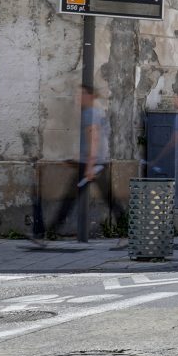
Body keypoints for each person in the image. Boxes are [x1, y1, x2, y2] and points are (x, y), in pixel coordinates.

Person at [38, 85, 125, 243]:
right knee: (109, 200)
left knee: (69, 200)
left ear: (90, 96)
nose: (78, 97)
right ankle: (128, 230)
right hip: (96, 163)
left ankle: (47, 234)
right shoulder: (96, 111)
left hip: (92, 165)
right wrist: (77, 160)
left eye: (82, 94)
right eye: (77, 94)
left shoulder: (90, 113)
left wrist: (89, 166)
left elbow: (94, 138)